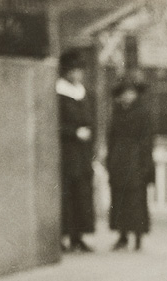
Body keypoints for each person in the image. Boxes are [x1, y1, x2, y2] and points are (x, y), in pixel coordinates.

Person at [106, 74, 155, 251]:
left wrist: (145, 164)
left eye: (131, 93)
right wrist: (110, 160)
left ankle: (138, 237)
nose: (128, 96)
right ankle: (122, 235)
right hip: (119, 159)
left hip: (136, 159)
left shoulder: (142, 112)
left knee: (136, 198)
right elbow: (110, 137)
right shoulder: (117, 112)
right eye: (125, 93)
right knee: (119, 198)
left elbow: (147, 140)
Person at [56, 49, 95, 252]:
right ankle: (63, 236)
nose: (78, 75)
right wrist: (74, 133)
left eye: (80, 71)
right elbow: (55, 123)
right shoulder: (59, 93)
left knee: (81, 193)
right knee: (66, 194)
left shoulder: (82, 93)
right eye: (74, 70)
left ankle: (77, 236)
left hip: (82, 153)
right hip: (66, 150)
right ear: (67, 72)